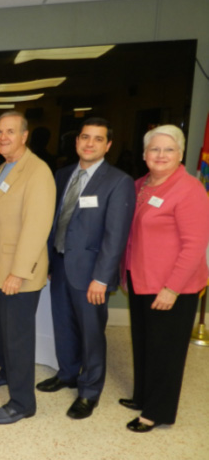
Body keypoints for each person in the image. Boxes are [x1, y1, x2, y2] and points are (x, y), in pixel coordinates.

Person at [36, 118, 136, 419]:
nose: (89, 143)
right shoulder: (62, 174)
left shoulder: (118, 181)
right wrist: (52, 262)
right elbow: (55, 223)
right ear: (76, 141)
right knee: (63, 325)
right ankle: (67, 374)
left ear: (108, 145)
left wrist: (101, 279)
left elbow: (115, 236)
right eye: (84, 137)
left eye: (97, 139)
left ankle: (89, 391)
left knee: (92, 334)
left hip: (92, 274)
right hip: (62, 265)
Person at [121, 124, 209, 432]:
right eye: (154, 149)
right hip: (141, 278)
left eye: (168, 149)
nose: (160, 155)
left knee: (166, 351)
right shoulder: (140, 184)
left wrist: (172, 288)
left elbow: (195, 245)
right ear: (144, 154)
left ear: (181, 154)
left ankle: (156, 412)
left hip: (173, 286)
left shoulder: (189, 189)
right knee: (145, 342)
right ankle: (143, 395)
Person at [0, 111, 56, 424]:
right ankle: (6, 371)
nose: (3, 137)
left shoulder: (37, 172)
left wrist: (19, 272)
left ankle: (22, 402)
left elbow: (37, 228)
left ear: (24, 136)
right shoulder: (3, 166)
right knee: (3, 330)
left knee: (18, 337)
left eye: (10, 131)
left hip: (17, 272)